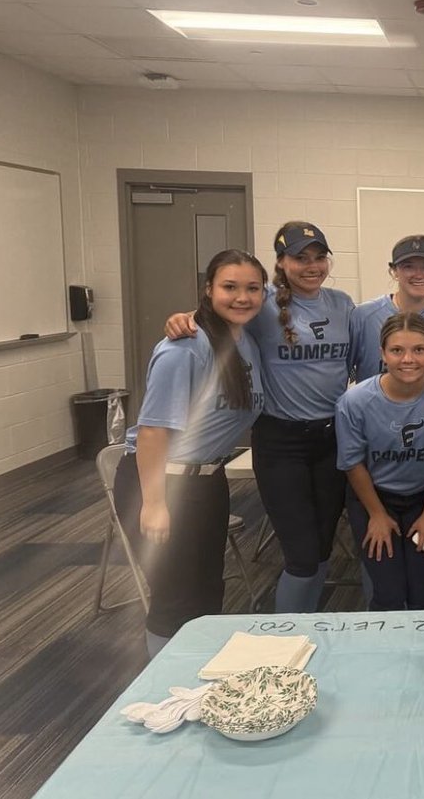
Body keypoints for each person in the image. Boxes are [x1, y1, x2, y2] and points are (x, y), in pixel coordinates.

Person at [165, 221, 355, 614]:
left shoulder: (342, 304)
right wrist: (185, 317)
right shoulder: (263, 301)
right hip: (281, 441)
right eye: (300, 258)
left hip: (332, 438)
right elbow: (223, 308)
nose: (311, 266)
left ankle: (310, 623)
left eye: (319, 257)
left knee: (321, 549)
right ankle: (286, 637)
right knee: (301, 556)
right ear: (281, 263)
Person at [115, 249, 266, 658]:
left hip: (206, 481)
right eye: (229, 287)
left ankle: (196, 679)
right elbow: (151, 432)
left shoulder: (246, 341)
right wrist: (154, 504)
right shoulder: (184, 346)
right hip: (161, 482)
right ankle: (164, 691)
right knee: (174, 599)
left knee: (206, 589)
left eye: (252, 288)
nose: (241, 297)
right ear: (208, 290)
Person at [335, 313, 424, 610]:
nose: (408, 359)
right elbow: (353, 464)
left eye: (418, 350)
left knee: (423, 593)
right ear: (382, 353)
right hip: (374, 500)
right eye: (397, 350)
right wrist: (376, 515)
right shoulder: (356, 402)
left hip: (423, 499)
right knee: (389, 593)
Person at [351, 234, 424, 382]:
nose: (419, 275)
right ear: (394, 271)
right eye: (408, 267)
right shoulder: (364, 316)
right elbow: (342, 371)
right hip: (373, 405)